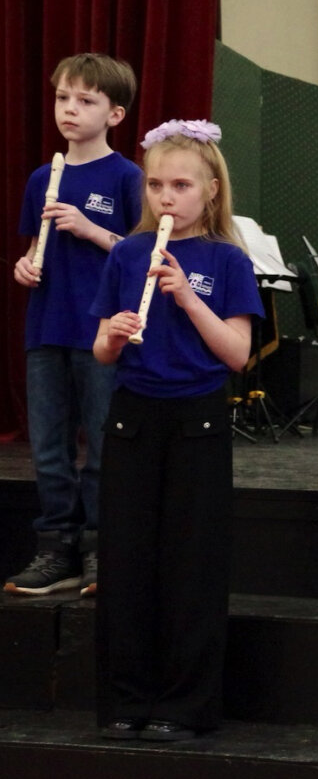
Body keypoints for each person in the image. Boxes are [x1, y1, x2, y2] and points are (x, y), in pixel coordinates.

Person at [91, 119, 264, 741]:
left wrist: (189, 298)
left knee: (193, 565)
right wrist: (114, 335)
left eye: (181, 186)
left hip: (199, 420)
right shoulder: (127, 253)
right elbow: (101, 351)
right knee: (126, 561)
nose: (166, 197)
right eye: (156, 185)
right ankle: (125, 698)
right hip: (133, 417)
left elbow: (238, 354)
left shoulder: (227, 259)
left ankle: (184, 705)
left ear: (211, 190)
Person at [6, 53, 142, 598]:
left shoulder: (127, 176)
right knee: (48, 448)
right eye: (63, 97)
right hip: (46, 326)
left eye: (86, 100)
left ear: (115, 114)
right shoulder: (43, 177)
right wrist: (24, 265)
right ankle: (55, 548)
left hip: (99, 330)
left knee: (104, 445)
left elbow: (142, 254)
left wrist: (91, 229)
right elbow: (33, 249)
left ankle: (99, 547)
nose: (70, 109)